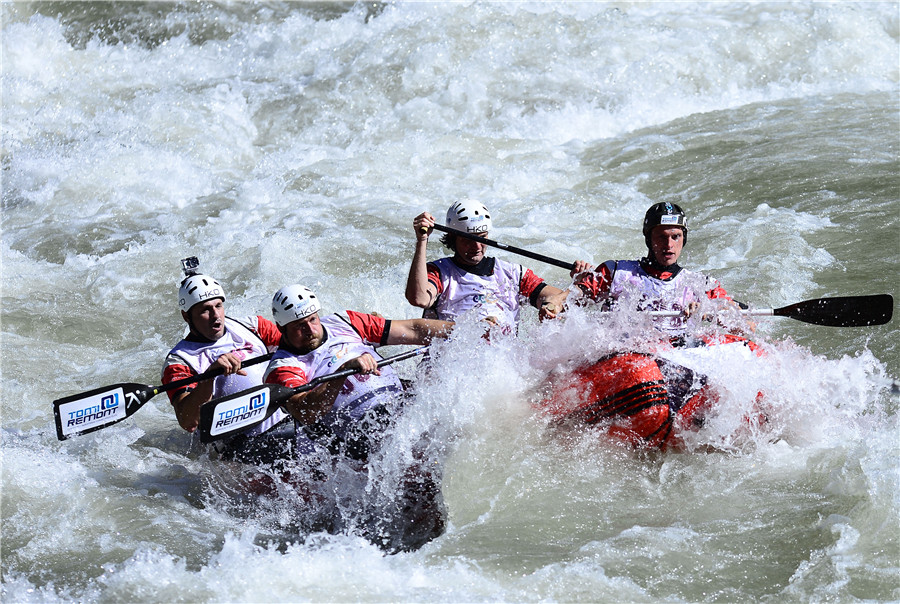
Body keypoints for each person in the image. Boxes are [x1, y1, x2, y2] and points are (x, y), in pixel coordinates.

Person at [263, 284, 455, 551]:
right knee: (418, 469)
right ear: (282, 329)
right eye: (299, 326)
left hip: (397, 409)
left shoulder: (346, 322)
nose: (310, 330)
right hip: (354, 437)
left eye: (312, 319)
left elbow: (414, 329)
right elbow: (306, 411)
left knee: (449, 417)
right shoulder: (283, 367)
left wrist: (462, 331)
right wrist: (342, 372)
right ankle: (427, 541)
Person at [162, 264, 296, 464]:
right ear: (186, 316)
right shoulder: (179, 361)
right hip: (240, 449)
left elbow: (298, 349)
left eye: (218, 306)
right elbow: (188, 421)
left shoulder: (253, 327)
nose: (215, 316)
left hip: (289, 423)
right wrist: (209, 376)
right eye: (205, 311)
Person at [566, 202, 750, 337]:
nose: (669, 245)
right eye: (661, 237)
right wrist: (579, 282)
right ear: (649, 239)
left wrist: (710, 309)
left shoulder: (700, 284)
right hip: (628, 355)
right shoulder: (616, 272)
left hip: (677, 359)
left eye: (675, 237)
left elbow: (748, 326)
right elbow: (571, 302)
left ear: (683, 239)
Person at [406, 200, 571, 334]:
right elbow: (419, 298)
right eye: (468, 239)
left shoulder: (513, 274)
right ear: (453, 238)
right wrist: (422, 240)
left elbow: (566, 298)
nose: (477, 246)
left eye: (482, 238)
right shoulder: (439, 272)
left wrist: (554, 303)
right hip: (453, 362)